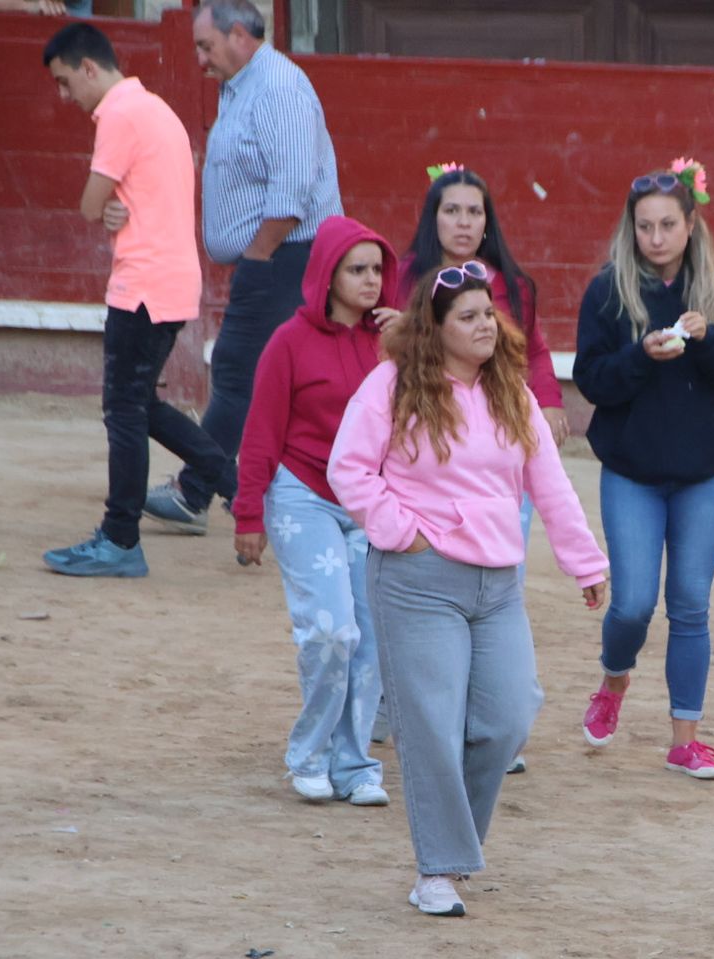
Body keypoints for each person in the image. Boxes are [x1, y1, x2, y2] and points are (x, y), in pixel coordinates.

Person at [327, 264, 608, 918]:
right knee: (429, 724)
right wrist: (404, 532)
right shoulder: (392, 386)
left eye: (489, 313)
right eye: (469, 317)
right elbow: (349, 468)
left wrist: (585, 563)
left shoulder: (509, 390)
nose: (486, 325)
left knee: (508, 715)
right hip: (417, 581)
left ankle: (455, 847)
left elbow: (550, 484)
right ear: (436, 329)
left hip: (498, 584)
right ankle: (438, 869)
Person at [571, 158, 714, 781]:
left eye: (667, 225)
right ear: (631, 230)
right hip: (631, 471)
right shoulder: (608, 291)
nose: (655, 237)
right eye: (644, 227)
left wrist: (706, 340)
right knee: (630, 605)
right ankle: (614, 678)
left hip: (704, 474)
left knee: (690, 604)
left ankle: (686, 739)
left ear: (690, 226)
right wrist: (640, 355)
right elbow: (593, 380)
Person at [39, 23, 232, 578]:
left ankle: (120, 538)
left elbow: (88, 203)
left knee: (123, 410)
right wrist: (109, 211)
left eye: (64, 82)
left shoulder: (121, 114)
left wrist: (103, 209)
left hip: (142, 286)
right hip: (169, 282)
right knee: (139, 406)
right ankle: (238, 485)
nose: (64, 96)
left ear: (90, 68)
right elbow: (116, 204)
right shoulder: (155, 109)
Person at [395, 163, 571, 774]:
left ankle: (486, 719)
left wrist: (546, 399)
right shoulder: (405, 278)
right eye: (452, 211)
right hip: (432, 456)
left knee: (501, 583)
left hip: (500, 452)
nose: (464, 222)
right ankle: (439, 716)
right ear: (433, 218)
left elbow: (535, 350)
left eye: (475, 212)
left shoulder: (513, 285)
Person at [141, 0, 341, 534]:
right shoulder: (249, 84)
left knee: (236, 371)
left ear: (239, 36)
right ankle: (261, 487)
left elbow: (293, 191)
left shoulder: (278, 90)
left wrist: (257, 255)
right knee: (268, 376)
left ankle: (196, 491)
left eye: (206, 47)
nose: (201, 61)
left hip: (283, 254)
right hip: (278, 253)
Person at [231, 216, 396, 806]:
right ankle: (310, 753)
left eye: (378, 269)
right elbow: (260, 432)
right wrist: (248, 514)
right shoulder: (289, 343)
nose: (372, 281)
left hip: (371, 502)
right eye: (357, 270)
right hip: (303, 495)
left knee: (373, 636)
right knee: (332, 629)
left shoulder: (393, 342)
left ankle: (354, 765)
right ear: (327, 277)